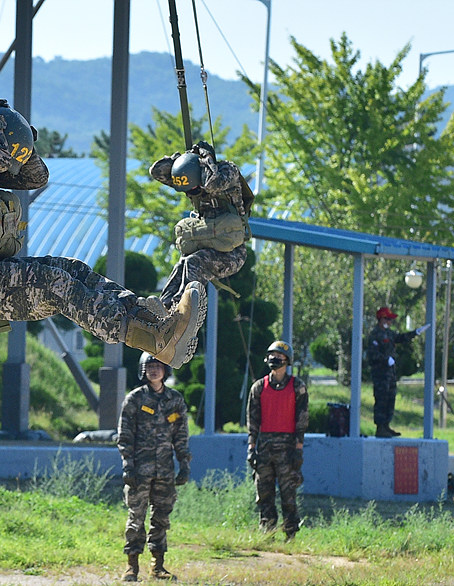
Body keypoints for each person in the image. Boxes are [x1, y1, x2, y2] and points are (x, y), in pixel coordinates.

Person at [0, 95, 206, 369]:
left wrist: (23, 143)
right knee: (54, 285)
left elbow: (34, 177)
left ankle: (152, 321)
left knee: (70, 269)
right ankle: (155, 340)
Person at [148, 141, 253, 309]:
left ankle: (179, 310)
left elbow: (212, 184)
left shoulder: (227, 172)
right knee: (180, 265)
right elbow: (156, 171)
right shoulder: (192, 179)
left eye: (195, 190)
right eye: (188, 191)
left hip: (232, 254)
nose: (192, 194)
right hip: (208, 248)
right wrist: (182, 160)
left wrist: (207, 159)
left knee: (193, 263)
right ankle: (163, 307)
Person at [117, 353, 191, 581]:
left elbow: (181, 435)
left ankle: (157, 566)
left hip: (165, 470)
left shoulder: (175, 401)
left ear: (166, 370)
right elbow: (125, 436)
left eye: (158, 366)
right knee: (136, 518)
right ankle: (132, 566)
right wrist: (127, 464)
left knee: (161, 518)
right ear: (142, 370)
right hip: (139, 470)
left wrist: (184, 464)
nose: (154, 370)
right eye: (150, 366)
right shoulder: (135, 399)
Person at [246, 340, 309, 541]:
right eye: (272, 355)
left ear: (287, 360)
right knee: (264, 493)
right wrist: (251, 447)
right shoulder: (258, 387)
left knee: (288, 493)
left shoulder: (297, 387)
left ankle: (290, 534)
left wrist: (298, 448)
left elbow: (302, 419)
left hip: (288, 447)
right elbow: (253, 420)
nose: (275, 359)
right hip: (264, 446)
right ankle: (268, 532)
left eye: (280, 356)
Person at [367, 307, 430, 438]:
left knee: (390, 399)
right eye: (388, 319)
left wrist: (416, 332)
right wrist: (385, 360)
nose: (390, 322)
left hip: (390, 374)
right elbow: (372, 354)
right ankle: (380, 427)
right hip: (380, 374)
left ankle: (386, 426)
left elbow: (401, 338)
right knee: (381, 399)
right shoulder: (375, 334)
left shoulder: (389, 334)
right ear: (382, 319)